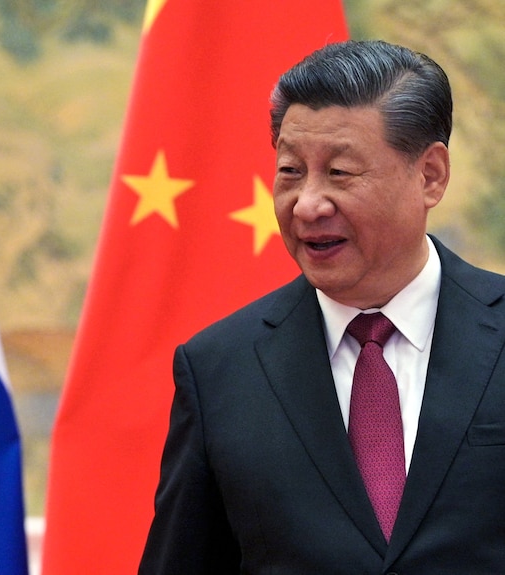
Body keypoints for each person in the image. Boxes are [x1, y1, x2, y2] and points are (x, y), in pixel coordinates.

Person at [140, 39, 505, 573]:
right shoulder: (219, 368)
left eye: (339, 173)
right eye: (290, 170)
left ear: (430, 175)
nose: (307, 204)